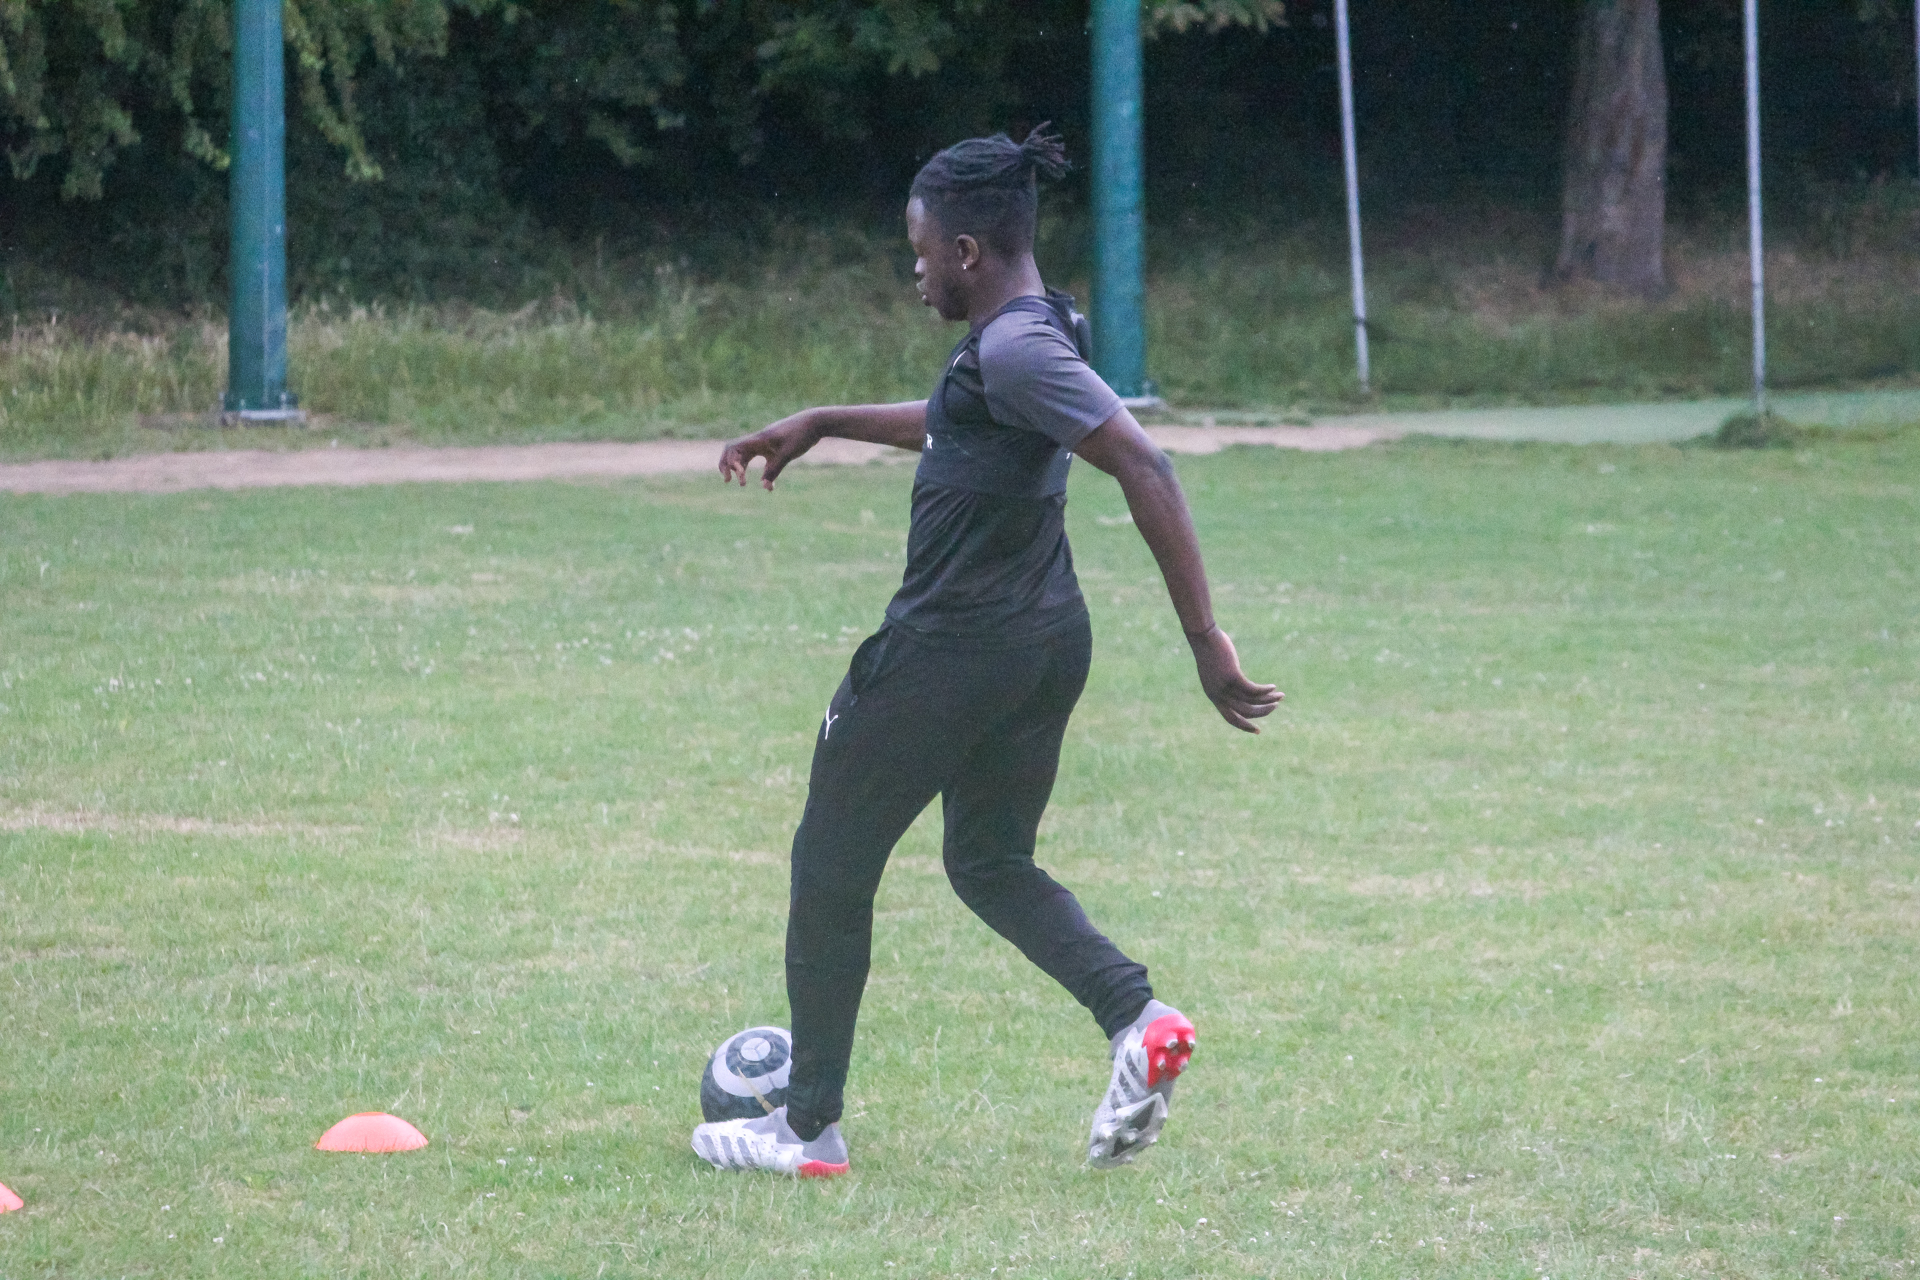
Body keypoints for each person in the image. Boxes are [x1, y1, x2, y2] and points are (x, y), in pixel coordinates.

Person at [691, 125, 1281, 1179]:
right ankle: (1138, 1018)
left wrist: (1206, 638)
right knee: (989, 861)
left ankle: (805, 1125)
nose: (915, 271)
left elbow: (1144, 464)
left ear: (966, 251)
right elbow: (961, 420)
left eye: (921, 252)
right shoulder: (1036, 332)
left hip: (949, 652)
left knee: (829, 867)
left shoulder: (1016, 347)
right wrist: (824, 419)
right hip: (1041, 642)